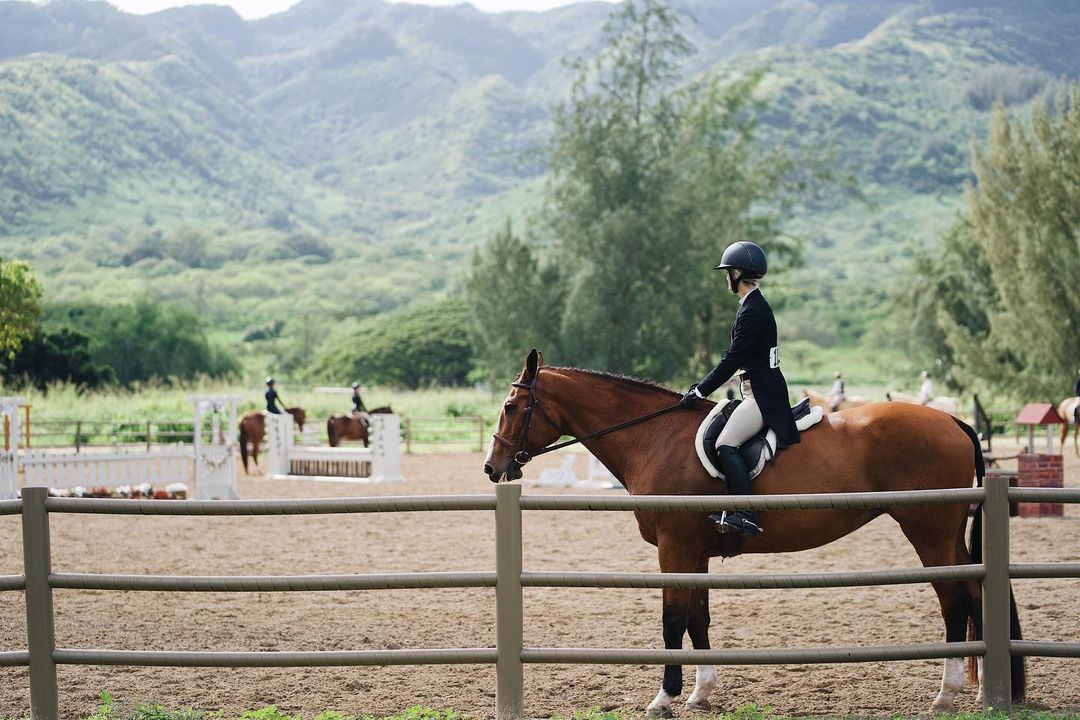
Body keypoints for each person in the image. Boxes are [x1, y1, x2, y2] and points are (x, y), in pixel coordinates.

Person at [680, 240, 799, 538]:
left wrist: (700, 391)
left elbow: (732, 359)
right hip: (755, 391)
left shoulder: (752, 311)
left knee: (725, 444)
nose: (725, 279)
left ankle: (745, 512)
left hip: (761, 397)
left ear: (736, 273)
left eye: (726, 273)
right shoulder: (753, 306)